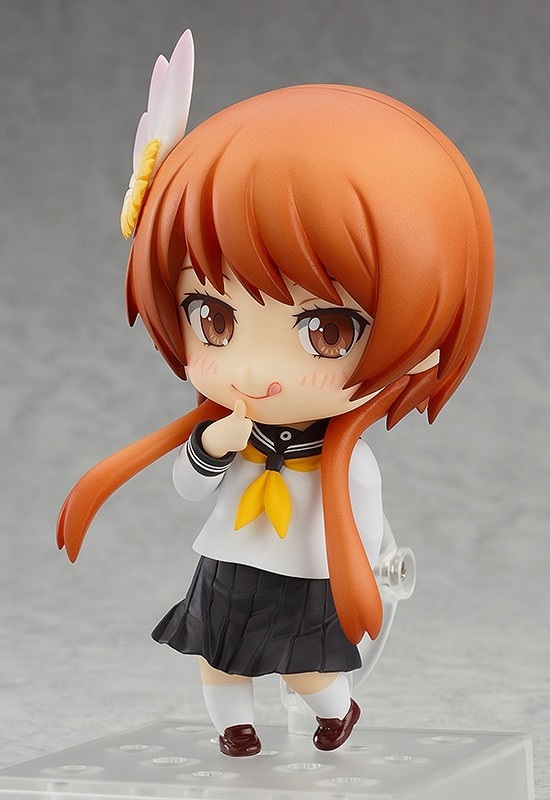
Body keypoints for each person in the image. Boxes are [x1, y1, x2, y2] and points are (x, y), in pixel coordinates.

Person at [58, 32, 493, 757]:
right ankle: (233, 727)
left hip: (304, 570)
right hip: (229, 556)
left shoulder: (350, 465)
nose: (256, 370)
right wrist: (209, 447)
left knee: (306, 663)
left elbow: (366, 532)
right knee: (216, 652)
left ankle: (335, 710)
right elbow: (188, 487)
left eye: (324, 331)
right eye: (213, 318)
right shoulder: (232, 431)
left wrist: (374, 576)